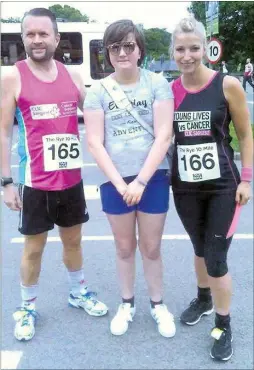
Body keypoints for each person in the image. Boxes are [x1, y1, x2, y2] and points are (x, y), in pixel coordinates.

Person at [0, 8, 108, 342]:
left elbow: (97, 118)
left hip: (71, 181)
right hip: (35, 183)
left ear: (56, 38)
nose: (36, 40)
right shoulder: (12, 77)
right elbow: (3, 132)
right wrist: (5, 183)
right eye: (30, 34)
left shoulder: (73, 76)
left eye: (43, 34)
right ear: (23, 39)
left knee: (73, 241)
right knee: (33, 249)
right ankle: (27, 306)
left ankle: (78, 293)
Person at [83, 19, 175, 337]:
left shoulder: (157, 84)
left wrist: (140, 182)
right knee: (124, 248)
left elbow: (164, 135)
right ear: (108, 53)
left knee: (151, 247)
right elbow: (94, 142)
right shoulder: (97, 92)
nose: (122, 52)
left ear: (140, 51)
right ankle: (127, 303)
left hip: (152, 179)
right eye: (115, 47)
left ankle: (158, 304)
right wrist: (122, 184)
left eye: (129, 45)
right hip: (115, 182)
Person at [170, 18, 253, 361]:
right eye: (180, 49)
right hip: (185, 187)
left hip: (223, 186)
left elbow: (245, 135)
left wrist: (247, 178)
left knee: (216, 258)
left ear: (206, 49)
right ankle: (204, 299)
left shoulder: (227, 85)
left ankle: (223, 323)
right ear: (173, 51)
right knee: (200, 248)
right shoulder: (169, 91)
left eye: (194, 48)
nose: (187, 55)